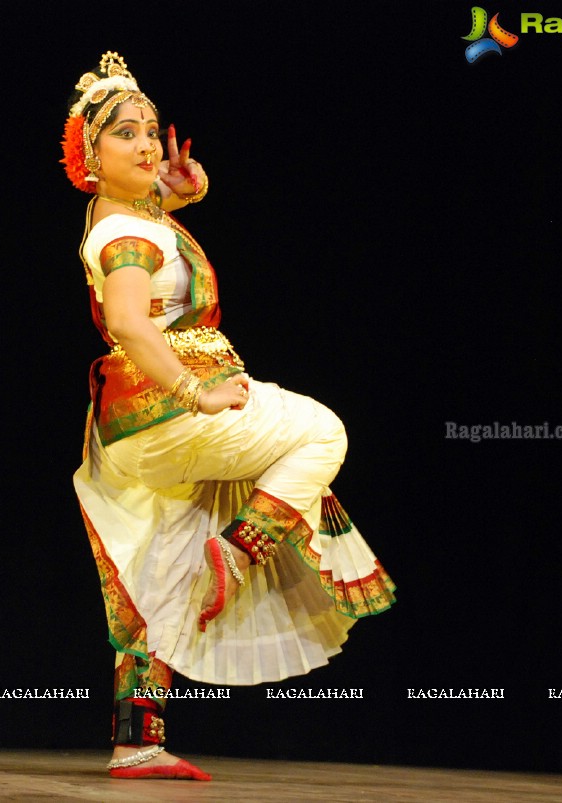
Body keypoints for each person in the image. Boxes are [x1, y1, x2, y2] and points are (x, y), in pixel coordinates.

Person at [64, 52, 397, 781]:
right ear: (91, 155)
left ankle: (137, 741)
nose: (148, 144)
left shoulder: (122, 215)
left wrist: (187, 189)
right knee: (321, 430)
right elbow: (127, 319)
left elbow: (155, 225)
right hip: (169, 417)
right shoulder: (123, 235)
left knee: (153, 575)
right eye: (126, 134)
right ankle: (241, 550)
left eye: (152, 129)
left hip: (127, 428)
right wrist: (195, 391)